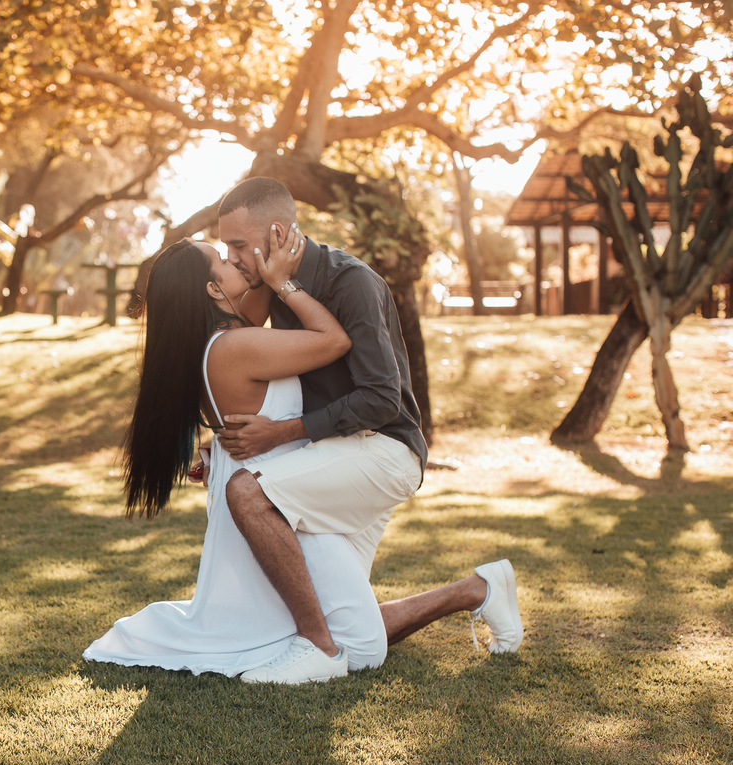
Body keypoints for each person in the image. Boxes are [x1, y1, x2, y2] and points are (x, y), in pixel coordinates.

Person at [213, 177, 522, 684]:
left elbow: (381, 399)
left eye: (239, 246)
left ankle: (316, 650)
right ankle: (479, 589)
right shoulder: (271, 289)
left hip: (384, 452)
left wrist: (280, 434)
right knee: (353, 634)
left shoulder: (350, 282)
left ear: (276, 233)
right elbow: (250, 361)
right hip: (335, 457)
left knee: (248, 496)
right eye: (226, 248)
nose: (234, 257)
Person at [84, 227, 393, 676]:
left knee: (349, 632)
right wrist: (283, 281)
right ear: (213, 289)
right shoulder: (236, 347)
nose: (237, 263)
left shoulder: (224, 337)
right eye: (224, 262)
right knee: (361, 648)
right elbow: (334, 340)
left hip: (282, 494)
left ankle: (470, 592)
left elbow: (255, 296)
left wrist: (262, 266)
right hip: (275, 503)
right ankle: (463, 594)